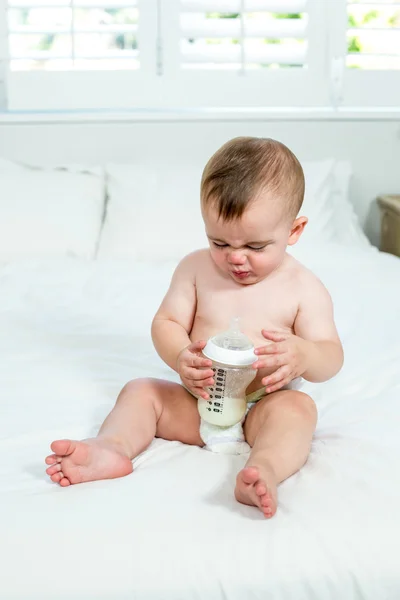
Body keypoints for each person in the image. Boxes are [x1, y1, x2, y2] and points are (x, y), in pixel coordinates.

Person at [45, 137, 343, 518]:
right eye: (219, 241)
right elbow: (166, 322)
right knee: (140, 392)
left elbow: (331, 357)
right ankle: (112, 448)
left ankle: (264, 469)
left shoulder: (304, 287)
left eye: (256, 246)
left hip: (261, 408)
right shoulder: (195, 269)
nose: (235, 257)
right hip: (196, 404)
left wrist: (305, 354)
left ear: (294, 231)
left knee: (299, 410)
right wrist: (179, 354)